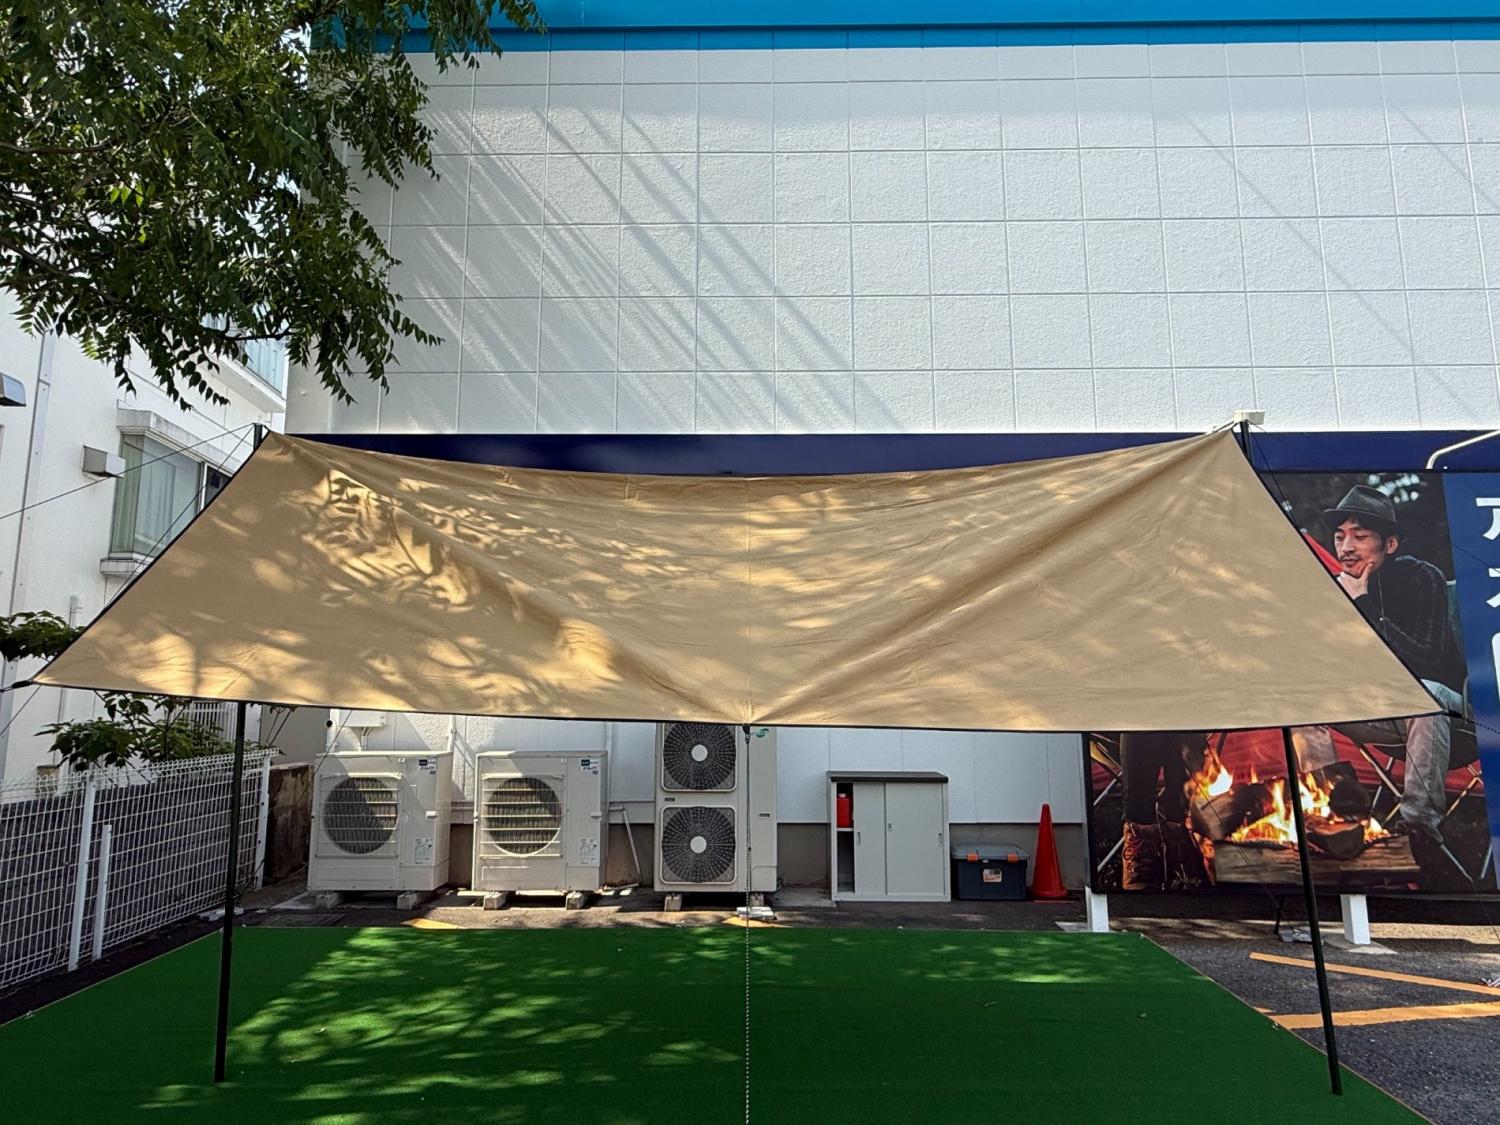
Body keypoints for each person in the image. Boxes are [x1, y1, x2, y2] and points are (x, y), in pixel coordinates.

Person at [1291, 486, 1465, 848]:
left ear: (1391, 544)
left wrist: (1363, 604)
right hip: (1383, 712)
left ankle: (1418, 827)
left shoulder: (1423, 578)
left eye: (1360, 536)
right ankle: (1337, 812)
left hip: (1449, 714)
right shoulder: (1337, 590)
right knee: (1302, 702)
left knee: (1426, 694)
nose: (1346, 548)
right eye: (1339, 537)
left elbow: (1426, 662)